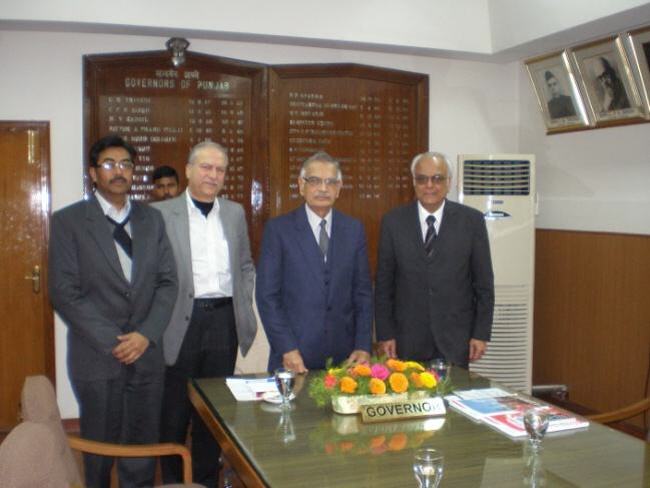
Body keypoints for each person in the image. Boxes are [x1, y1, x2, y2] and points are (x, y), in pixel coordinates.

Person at [48, 135, 178, 488]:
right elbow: (64, 293)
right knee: (99, 447)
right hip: (97, 355)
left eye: (126, 164)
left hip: (147, 353)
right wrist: (117, 341)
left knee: (142, 442)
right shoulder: (69, 221)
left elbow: (168, 282)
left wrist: (145, 335)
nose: (118, 171)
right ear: (93, 173)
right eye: (108, 164)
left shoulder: (152, 220)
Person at [152, 141, 257, 486]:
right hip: (180, 322)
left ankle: (206, 481)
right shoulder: (162, 213)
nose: (213, 175)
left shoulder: (234, 213)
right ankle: (173, 483)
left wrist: (242, 299)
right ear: (188, 170)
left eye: (220, 169)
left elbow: (245, 264)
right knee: (173, 414)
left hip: (223, 322)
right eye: (206, 167)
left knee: (213, 413)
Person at [374, 151, 494, 368]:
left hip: (456, 337)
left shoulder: (472, 221)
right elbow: (384, 285)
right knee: (410, 391)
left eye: (437, 178)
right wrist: (385, 334)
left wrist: (480, 333)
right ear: (413, 182)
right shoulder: (393, 222)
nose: (429, 185)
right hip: (407, 338)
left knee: (454, 390)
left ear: (449, 182)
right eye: (422, 179)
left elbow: (484, 283)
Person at [256, 151, 373, 373]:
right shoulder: (279, 230)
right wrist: (286, 348)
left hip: (346, 359)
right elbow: (267, 296)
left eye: (330, 182)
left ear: (339, 188)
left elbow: (363, 293)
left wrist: (363, 345)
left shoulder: (353, 230)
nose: (323, 188)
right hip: (294, 356)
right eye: (315, 181)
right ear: (301, 185)